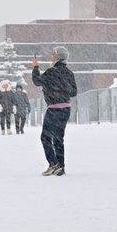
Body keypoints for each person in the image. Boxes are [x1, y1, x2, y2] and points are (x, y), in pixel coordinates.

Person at [32, 47, 77, 175]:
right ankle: (61, 167)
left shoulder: (51, 72)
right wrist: (63, 87)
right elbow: (74, 92)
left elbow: (37, 81)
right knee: (58, 138)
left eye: (53, 54)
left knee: (45, 137)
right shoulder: (69, 73)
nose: (51, 56)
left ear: (57, 57)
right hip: (65, 109)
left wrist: (35, 67)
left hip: (53, 109)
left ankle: (53, 164)